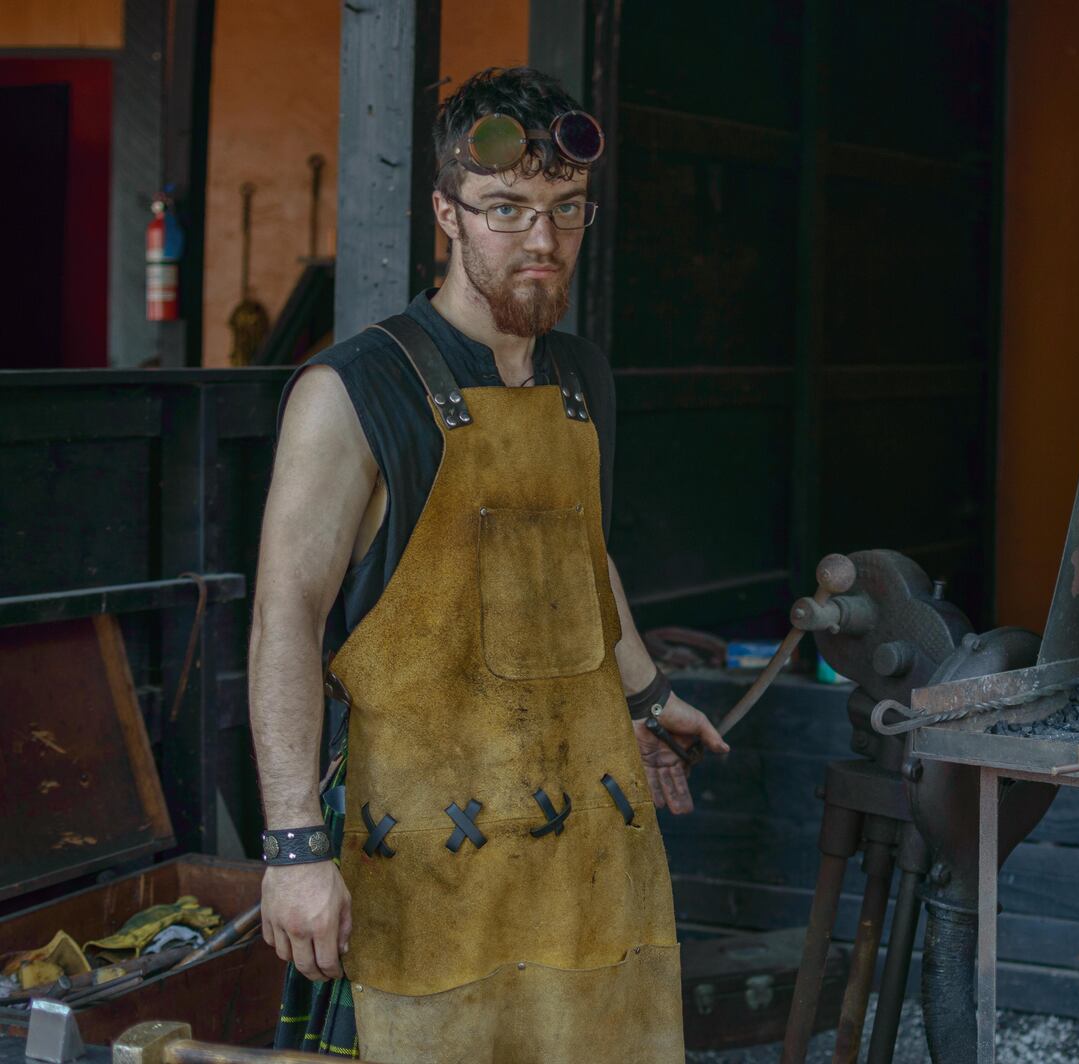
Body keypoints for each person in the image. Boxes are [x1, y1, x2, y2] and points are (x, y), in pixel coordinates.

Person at [248, 66, 726, 1062]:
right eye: (506, 209)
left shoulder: (581, 375)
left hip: (582, 849)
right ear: (445, 214)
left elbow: (579, 550)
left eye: (565, 209)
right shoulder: (352, 390)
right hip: (421, 857)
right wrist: (295, 848)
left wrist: (645, 695)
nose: (542, 241)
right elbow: (285, 615)